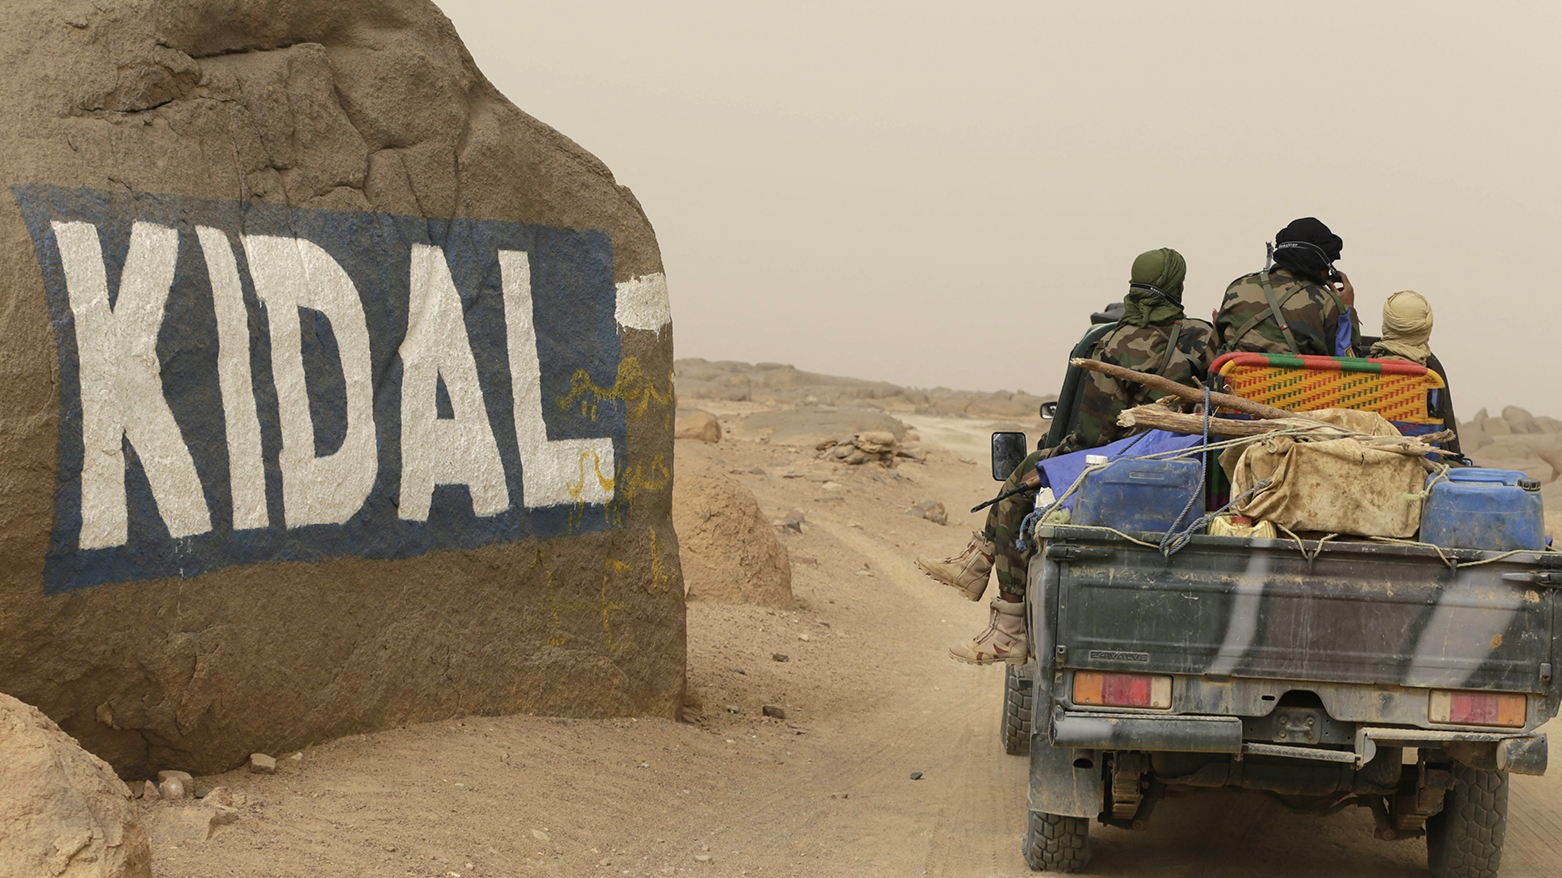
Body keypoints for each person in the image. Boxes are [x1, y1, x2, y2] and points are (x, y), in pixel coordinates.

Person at [916, 248, 1215, 665]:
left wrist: (1057, 457)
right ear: (1176, 285)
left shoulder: (1111, 343)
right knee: (1032, 467)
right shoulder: (1204, 336)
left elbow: (1095, 433)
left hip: (1125, 461)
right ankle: (975, 569)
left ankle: (1006, 627)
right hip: (1193, 461)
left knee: (1021, 481)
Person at [1215, 217, 1359, 357]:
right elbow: (1350, 367)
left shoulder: (1238, 287)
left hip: (1235, 380)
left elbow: (1213, 352)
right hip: (1296, 381)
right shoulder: (1327, 303)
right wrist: (1347, 309)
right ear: (1320, 262)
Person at [1368, 289, 1463, 457]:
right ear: (1426, 329)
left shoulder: (1360, 370)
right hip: (1417, 464)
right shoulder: (1429, 379)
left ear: (1387, 324)